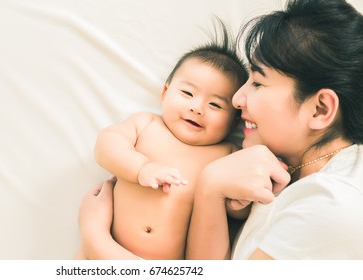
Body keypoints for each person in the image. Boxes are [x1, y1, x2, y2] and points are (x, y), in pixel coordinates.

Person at [77, 0, 363, 260]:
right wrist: (211, 191)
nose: (237, 101)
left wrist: (96, 238)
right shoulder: (287, 170)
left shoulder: (332, 207)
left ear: (320, 109)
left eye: (258, 83)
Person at [74, 22, 249, 260]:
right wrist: (141, 168)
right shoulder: (147, 125)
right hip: (96, 258)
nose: (197, 108)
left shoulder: (228, 153)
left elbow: (236, 209)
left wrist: (238, 205)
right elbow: (106, 145)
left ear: (234, 121)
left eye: (215, 104)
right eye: (187, 93)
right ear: (165, 93)